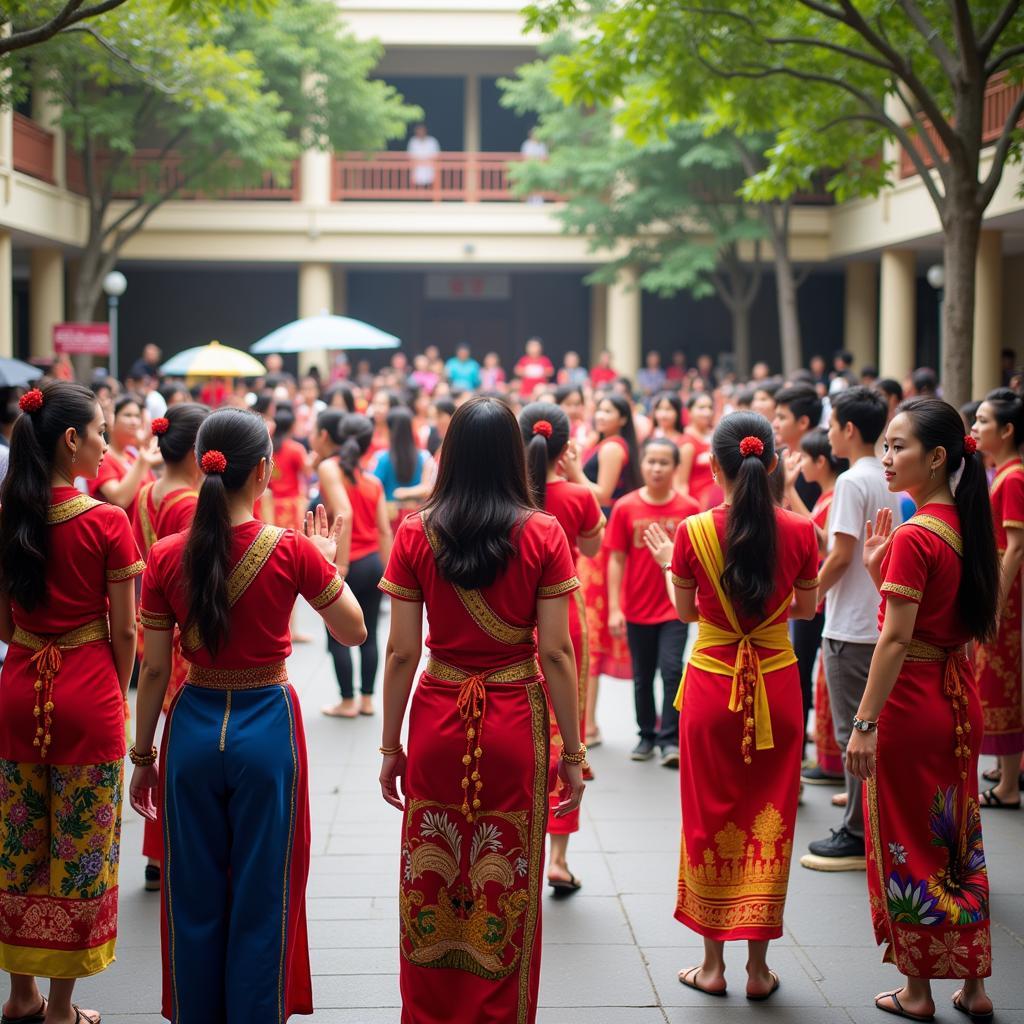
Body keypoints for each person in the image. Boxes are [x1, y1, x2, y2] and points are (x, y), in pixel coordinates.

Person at [130, 408, 366, 1023]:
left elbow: (153, 671)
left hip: (191, 727)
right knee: (264, 892)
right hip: (267, 728)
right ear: (262, 472)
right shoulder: (290, 549)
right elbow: (354, 630)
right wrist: (326, 559)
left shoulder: (165, 555)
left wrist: (142, 756)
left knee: (194, 893)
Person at [377, 396, 586, 1024]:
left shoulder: (416, 531)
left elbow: (400, 653)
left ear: (449, 454)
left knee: (430, 873)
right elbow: (556, 652)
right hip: (513, 719)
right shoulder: (543, 532)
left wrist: (390, 746)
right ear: (513, 458)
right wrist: (572, 754)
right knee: (508, 872)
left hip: (440, 716)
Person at [644, 411, 819, 999]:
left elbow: (688, 614)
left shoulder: (693, 531)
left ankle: (712, 965)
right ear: (771, 462)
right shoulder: (799, 531)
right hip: (776, 683)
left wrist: (671, 561)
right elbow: (804, 610)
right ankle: (758, 969)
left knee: (709, 816)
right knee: (771, 818)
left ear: (712, 466)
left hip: (714, 682)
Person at [848, 397, 998, 1022]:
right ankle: (974, 985)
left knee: (912, 843)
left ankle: (917, 992)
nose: (886, 458)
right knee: (959, 841)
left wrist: (863, 723)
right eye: (884, 445)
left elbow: (896, 637)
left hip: (911, 704)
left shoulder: (916, 535)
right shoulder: (965, 526)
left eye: (898, 447)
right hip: (958, 696)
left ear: (937, 458)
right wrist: (882, 573)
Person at [0, 381, 144, 1024]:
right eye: (101, 433)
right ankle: (61, 1006)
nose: (105, 446)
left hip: (18, 687)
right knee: (80, 850)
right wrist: (113, 689)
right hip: (87, 695)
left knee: (17, 842)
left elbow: (4, 626)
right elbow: (125, 631)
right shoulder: (106, 521)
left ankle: (20, 993)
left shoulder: (10, 517)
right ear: (71, 440)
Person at [803, 387, 903, 871]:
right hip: (883, 617)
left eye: (832, 424)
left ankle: (858, 833)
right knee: (875, 730)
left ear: (848, 430)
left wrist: (808, 599)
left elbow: (841, 555)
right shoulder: (894, 477)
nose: (828, 433)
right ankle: (875, 826)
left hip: (851, 625)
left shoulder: (850, 482)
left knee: (854, 735)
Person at [520, 402, 604, 893]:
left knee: (522, 730)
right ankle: (558, 857)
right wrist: (578, 477)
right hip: (566, 619)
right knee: (565, 736)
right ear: (564, 446)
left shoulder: (509, 496)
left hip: (515, 618)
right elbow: (593, 548)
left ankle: (521, 846)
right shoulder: (577, 495)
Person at [132, 403, 208, 890]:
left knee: (164, 737)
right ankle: (175, 849)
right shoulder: (191, 503)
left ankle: (156, 855)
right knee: (183, 745)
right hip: (184, 636)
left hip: (152, 627)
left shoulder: (144, 494)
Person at [607, 438, 698, 764]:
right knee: (642, 676)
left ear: (675, 467)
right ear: (642, 465)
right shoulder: (625, 507)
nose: (657, 468)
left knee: (672, 670)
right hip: (636, 606)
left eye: (664, 462)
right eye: (651, 462)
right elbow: (616, 558)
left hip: (675, 606)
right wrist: (615, 607)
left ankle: (669, 739)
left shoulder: (689, 508)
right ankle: (646, 734)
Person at [570, 393, 641, 744]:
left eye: (608, 410)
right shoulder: (602, 443)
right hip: (598, 532)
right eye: (598, 409)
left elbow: (602, 492)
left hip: (602, 533)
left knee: (591, 626)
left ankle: (590, 722)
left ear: (623, 419)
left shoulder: (612, 447)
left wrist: (573, 470)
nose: (600, 415)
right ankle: (588, 720)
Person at [316, 412, 393, 720]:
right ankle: (367, 700)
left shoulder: (329, 468)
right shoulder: (373, 481)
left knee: (337, 633)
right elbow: (385, 530)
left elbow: (343, 511)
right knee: (370, 634)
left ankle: (347, 702)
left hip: (347, 564)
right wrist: (389, 574)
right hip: (373, 563)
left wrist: (342, 564)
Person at [785, 428, 848, 785]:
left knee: (803, 671)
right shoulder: (829, 495)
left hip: (818, 598)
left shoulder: (838, 492)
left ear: (820, 461)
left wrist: (788, 489)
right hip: (818, 598)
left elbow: (821, 543)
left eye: (805, 458)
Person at [972, 388, 1024, 808]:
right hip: (1004, 591)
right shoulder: (1004, 475)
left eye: (984, 421)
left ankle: (1008, 784)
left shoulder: (1013, 477)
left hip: (1009, 595)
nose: (976, 427)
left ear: (1006, 431)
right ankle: (1008, 769)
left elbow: (1016, 545)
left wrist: (998, 600)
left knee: (1003, 679)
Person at [89, 393, 160, 518]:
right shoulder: (102, 458)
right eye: (128, 415)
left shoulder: (132, 454)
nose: (134, 421)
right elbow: (120, 499)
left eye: (137, 416)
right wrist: (142, 460)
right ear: (112, 419)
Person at [370, 407, 432, 509]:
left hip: (390, 515)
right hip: (415, 516)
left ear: (389, 429)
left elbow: (373, 487)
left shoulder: (381, 458)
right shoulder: (424, 456)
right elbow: (427, 488)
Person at [678, 393, 715, 508]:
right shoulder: (687, 443)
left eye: (710, 408)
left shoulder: (714, 436)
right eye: (701, 408)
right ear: (689, 411)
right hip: (698, 506)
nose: (707, 412)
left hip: (714, 502)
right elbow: (681, 483)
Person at [407, 122, 440, 188]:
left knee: (430, 183)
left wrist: (427, 161)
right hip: (417, 168)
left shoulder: (432, 141)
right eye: (418, 130)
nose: (420, 132)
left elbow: (436, 155)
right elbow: (410, 155)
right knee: (417, 184)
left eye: (422, 130)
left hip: (429, 167)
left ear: (425, 131)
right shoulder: (413, 141)